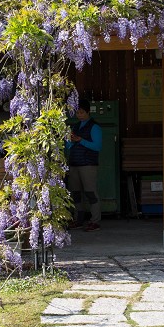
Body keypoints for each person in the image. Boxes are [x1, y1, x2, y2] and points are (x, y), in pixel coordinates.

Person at [66, 98, 102, 231]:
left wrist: (81, 140)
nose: (79, 115)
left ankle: (95, 221)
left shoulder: (95, 127)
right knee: (75, 193)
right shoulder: (75, 126)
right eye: (77, 113)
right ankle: (78, 219)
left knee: (90, 193)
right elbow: (69, 145)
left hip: (88, 164)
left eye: (82, 112)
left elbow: (97, 146)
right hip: (74, 163)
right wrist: (69, 141)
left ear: (88, 112)